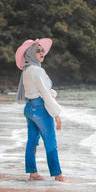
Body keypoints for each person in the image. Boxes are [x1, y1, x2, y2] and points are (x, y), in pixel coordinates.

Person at [15, 38, 69, 182]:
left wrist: (51, 93)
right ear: (31, 54)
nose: (42, 52)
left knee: (31, 142)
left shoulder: (26, 71)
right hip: (40, 109)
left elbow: (38, 91)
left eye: (42, 50)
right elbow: (45, 94)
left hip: (29, 109)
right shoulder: (38, 71)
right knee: (50, 142)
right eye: (38, 50)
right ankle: (58, 176)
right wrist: (56, 115)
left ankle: (33, 174)